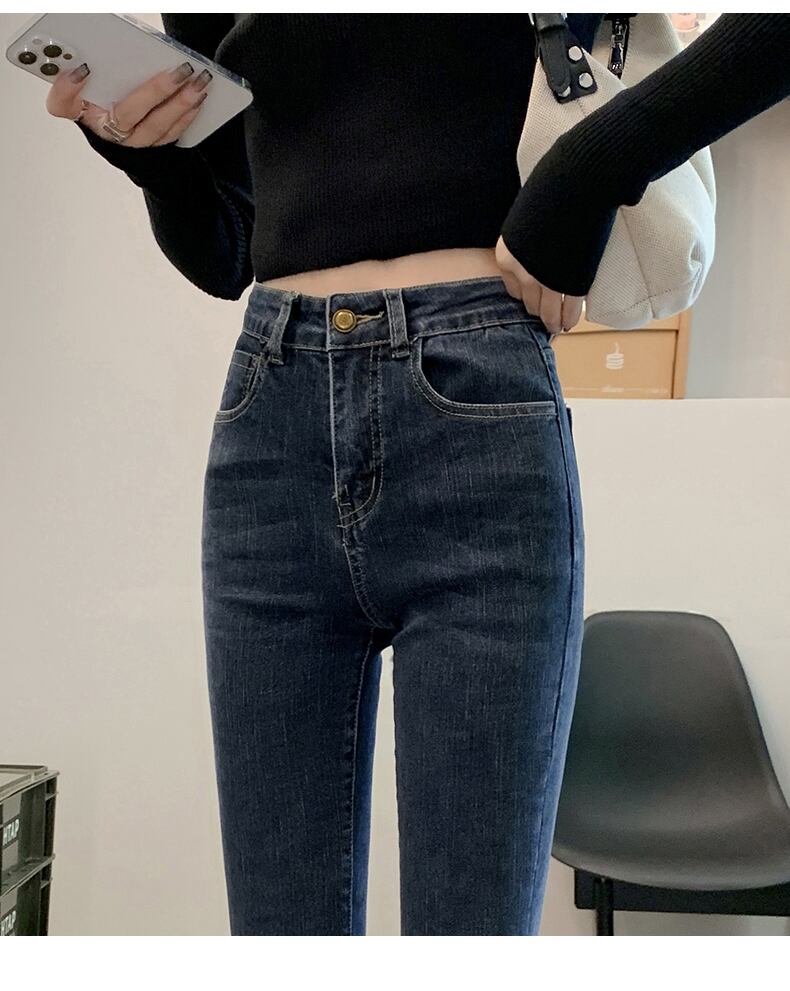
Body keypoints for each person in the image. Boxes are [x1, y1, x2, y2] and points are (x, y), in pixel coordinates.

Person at [46, 14, 790, 936]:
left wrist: (595, 165)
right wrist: (147, 156)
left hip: (478, 391)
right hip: (271, 411)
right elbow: (231, 246)